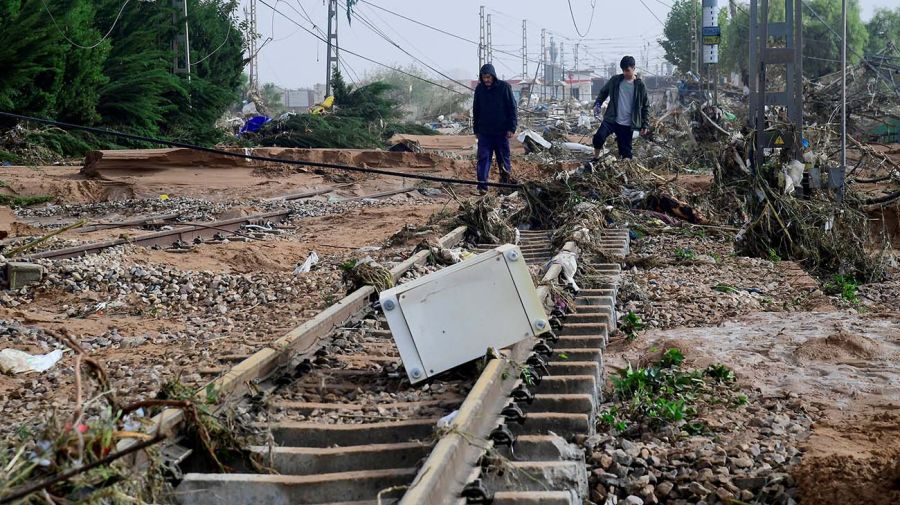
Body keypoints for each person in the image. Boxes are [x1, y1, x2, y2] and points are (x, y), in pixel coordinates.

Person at [591, 55, 650, 160]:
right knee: (599, 137)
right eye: (623, 70)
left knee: (626, 154)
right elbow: (603, 92)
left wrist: (645, 125)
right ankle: (595, 158)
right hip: (612, 119)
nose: (625, 73)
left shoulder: (640, 86)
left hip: (627, 124)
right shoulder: (615, 80)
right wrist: (598, 104)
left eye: (627, 70)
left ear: (633, 68)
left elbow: (645, 106)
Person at [473, 63, 517, 194]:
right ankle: (482, 186)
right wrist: (476, 129)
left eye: (488, 77)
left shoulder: (504, 88)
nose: (486, 80)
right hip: (485, 133)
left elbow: (512, 108)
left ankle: (505, 185)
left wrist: (511, 128)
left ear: (493, 76)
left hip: (501, 132)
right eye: (484, 77)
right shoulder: (479, 89)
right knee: (483, 158)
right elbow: (476, 109)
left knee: (503, 159)